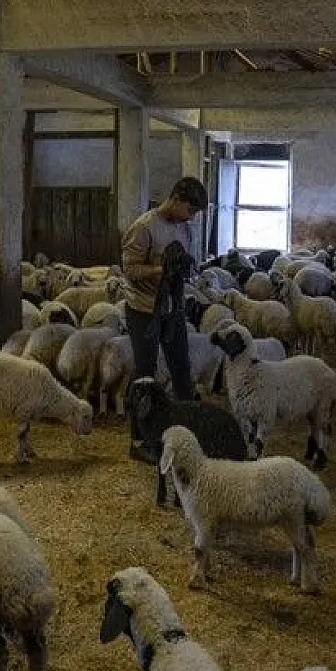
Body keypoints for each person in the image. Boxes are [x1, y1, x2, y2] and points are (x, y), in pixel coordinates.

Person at [120, 176, 208, 461]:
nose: (191, 217)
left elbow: (184, 263)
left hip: (173, 308)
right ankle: (139, 440)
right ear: (177, 199)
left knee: (181, 368)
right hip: (144, 310)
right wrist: (160, 269)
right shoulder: (144, 227)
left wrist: (186, 269)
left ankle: (187, 434)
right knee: (145, 373)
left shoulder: (184, 227)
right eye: (190, 210)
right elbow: (129, 269)